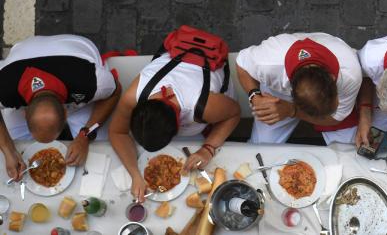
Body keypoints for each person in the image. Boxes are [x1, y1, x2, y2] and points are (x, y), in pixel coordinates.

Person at [109, 29, 240, 203]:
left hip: (216, 96)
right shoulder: (133, 96)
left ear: (181, 126)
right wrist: (135, 174)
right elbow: (117, 132)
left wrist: (208, 148)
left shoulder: (204, 107)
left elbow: (234, 114)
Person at [0, 35, 122, 179]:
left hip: (77, 51)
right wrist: (8, 151)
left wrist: (85, 134)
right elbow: (8, 146)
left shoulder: (93, 82)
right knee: (14, 145)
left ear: (66, 112)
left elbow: (115, 91)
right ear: (24, 112)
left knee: (99, 148)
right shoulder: (4, 90)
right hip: (23, 55)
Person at [236, 33, 362, 145]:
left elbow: (336, 118)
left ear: (333, 78)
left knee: (347, 150)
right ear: (291, 92)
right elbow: (241, 64)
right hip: (278, 94)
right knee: (262, 148)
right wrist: (255, 97)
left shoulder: (350, 75)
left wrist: (292, 111)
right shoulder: (267, 63)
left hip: (310, 95)